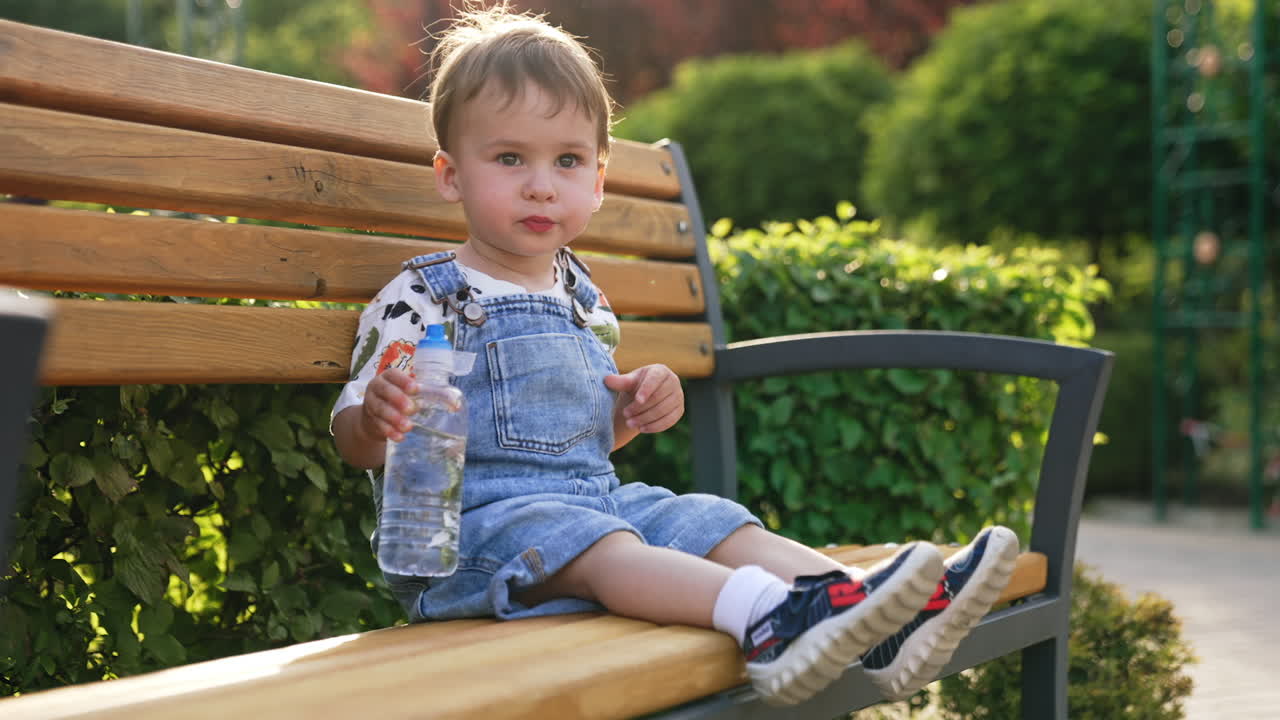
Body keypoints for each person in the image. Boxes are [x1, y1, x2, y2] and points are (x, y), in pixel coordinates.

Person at [330, 3, 1018, 706]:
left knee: (704, 518)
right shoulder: (423, 294)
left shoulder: (582, 298)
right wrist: (376, 419)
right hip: (474, 539)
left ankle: (876, 613)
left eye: (567, 160)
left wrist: (632, 409)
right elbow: (354, 433)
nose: (541, 183)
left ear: (597, 182)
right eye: (510, 158)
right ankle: (770, 620)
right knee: (603, 543)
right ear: (451, 175)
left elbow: (585, 438)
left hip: (589, 504)